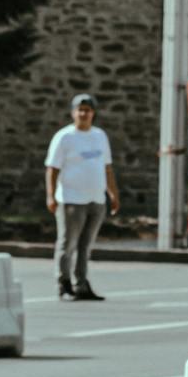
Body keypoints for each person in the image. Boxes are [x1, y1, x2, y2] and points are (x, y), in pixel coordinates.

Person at [44, 92, 120, 301]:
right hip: (71, 199)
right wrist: (51, 196)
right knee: (67, 243)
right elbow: (52, 168)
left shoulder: (99, 136)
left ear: (93, 114)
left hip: (95, 198)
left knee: (85, 246)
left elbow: (107, 167)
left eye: (87, 111)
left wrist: (113, 193)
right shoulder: (65, 137)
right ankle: (64, 283)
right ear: (73, 113)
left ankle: (82, 283)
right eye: (80, 110)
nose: (84, 114)